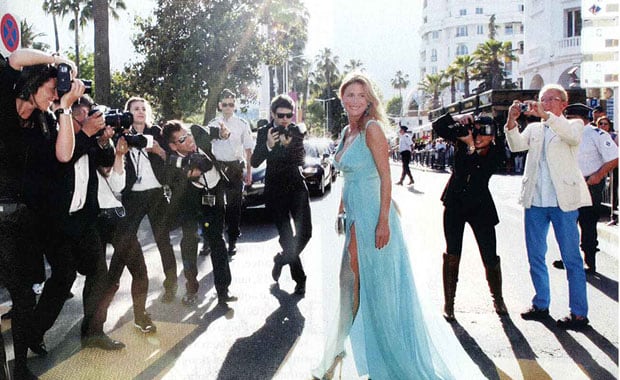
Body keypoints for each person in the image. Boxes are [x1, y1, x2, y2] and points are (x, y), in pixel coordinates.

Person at [312, 72, 483, 379]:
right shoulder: (345, 132)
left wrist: (382, 223)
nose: (353, 100)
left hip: (375, 216)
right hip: (354, 215)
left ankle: (382, 357)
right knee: (349, 283)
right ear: (341, 98)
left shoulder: (372, 128)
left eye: (360, 95)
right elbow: (348, 175)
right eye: (348, 95)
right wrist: (341, 209)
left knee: (378, 289)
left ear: (369, 100)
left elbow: (385, 176)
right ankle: (340, 349)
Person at [0, 48, 79, 380]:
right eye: (51, 89)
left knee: (22, 297)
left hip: (20, 221)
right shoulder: (5, 96)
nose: (53, 96)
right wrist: (58, 61)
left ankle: (19, 368)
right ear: (33, 84)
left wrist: (66, 108)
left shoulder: (46, 119)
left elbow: (64, 154)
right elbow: (16, 58)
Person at [505, 84, 591, 330]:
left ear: (563, 104)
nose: (546, 103)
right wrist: (511, 121)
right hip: (536, 201)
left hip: (563, 202)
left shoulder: (573, 125)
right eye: (543, 99)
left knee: (572, 258)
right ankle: (541, 304)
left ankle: (579, 313)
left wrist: (548, 116)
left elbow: (571, 137)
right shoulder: (534, 128)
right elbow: (516, 145)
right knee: (535, 256)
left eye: (552, 99)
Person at [71, 96, 157, 334]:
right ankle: (92, 327)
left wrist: (118, 154)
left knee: (139, 270)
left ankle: (140, 315)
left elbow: (117, 185)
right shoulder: (75, 143)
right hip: (93, 218)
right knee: (100, 278)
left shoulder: (106, 144)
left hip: (116, 216)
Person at [432, 113, 508, 321]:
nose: (479, 136)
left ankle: (498, 298)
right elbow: (438, 125)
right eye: (477, 131)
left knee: (489, 254)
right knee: (452, 253)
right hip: (455, 204)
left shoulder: (496, 151)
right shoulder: (461, 140)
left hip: (480, 206)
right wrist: (460, 118)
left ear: (493, 135)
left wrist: (471, 147)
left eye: (485, 133)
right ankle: (449, 303)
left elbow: (480, 171)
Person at [163, 120, 237, 307]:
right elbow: (178, 178)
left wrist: (224, 134)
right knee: (189, 242)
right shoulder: (172, 161)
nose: (189, 140)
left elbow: (217, 132)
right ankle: (191, 287)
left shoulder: (198, 133)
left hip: (215, 193)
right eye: (182, 139)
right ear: (173, 145)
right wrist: (187, 169)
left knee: (217, 241)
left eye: (187, 134)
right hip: (190, 202)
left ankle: (223, 290)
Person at [114, 97, 178, 302]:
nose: (140, 112)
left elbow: (171, 159)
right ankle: (110, 284)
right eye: (135, 109)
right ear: (128, 113)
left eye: (143, 109)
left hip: (156, 192)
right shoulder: (122, 135)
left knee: (163, 241)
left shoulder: (156, 132)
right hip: (133, 194)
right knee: (125, 239)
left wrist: (158, 150)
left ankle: (171, 285)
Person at [251, 95, 311, 296]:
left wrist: (287, 146)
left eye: (289, 115)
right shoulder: (263, 132)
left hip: (296, 187)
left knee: (305, 233)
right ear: (272, 114)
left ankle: (282, 259)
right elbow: (255, 162)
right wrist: (268, 145)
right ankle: (300, 279)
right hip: (275, 190)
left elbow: (301, 159)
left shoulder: (296, 131)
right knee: (286, 237)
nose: (285, 119)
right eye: (280, 115)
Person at [551, 104, 618, 274]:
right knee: (566, 224)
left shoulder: (596, 134)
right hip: (567, 183)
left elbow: (615, 157)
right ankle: (569, 258)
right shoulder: (564, 134)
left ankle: (590, 261)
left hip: (589, 184)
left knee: (587, 224)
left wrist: (598, 175)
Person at [204, 89, 255, 257]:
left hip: (234, 168)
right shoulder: (213, 123)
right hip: (217, 168)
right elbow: (204, 144)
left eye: (231, 104)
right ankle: (208, 240)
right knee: (213, 206)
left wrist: (249, 172)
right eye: (225, 104)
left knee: (234, 207)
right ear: (220, 105)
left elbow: (248, 149)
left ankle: (232, 241)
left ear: (235, 106)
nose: (228, 107)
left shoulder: (242, 124)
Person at [596, 116, 618, 226]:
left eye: (605, 124)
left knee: (612, 190)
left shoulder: (612, 136)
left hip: (610, 168)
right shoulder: (593, 135)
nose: (603, 126)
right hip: (597, 169)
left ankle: (614, 215)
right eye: (601, 124)